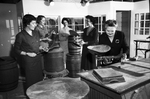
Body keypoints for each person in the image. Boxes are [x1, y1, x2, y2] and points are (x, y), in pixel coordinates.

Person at [14, 14, 43, 92]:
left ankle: (39, 94)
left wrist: (42, 48)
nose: (35, 25)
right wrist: (27, 53)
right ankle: (30, 95)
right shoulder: (20, 35)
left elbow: (37, 45)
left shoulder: (36, 33)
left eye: (35, 23)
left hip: (37, 59)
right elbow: (16, 50)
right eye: (33, 23)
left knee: (39, 78)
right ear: (27, 24)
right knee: (31, 80)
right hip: (28, 61)